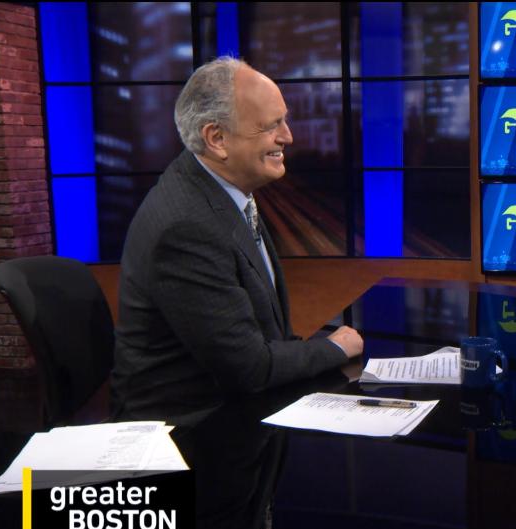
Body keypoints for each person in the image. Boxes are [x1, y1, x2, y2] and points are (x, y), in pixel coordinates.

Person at [112, 56, 363, 425]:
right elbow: (249, 369)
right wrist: (335, 348)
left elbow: (265, 338)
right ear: (217, 139)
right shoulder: (186, 227)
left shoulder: (221, 190)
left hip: (235, 405)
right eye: (271, 125)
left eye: (284, 121)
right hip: (189, 429)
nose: (288, 136)